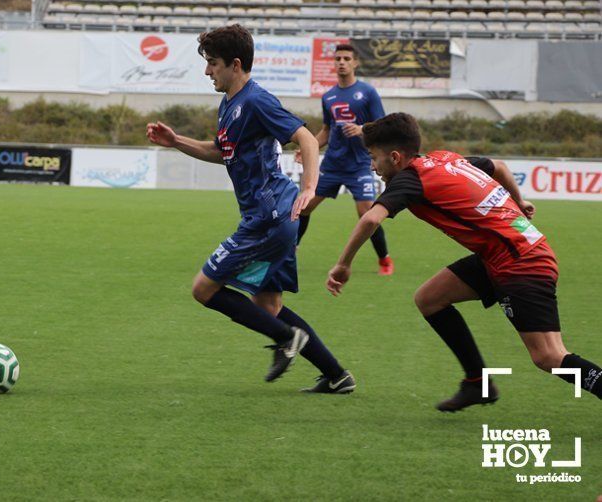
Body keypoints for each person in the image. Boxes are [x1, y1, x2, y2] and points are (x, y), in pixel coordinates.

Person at [325, 112, 602, 410]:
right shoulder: (445, 158)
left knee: (549, 356)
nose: (372, 165)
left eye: (373, 157)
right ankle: (477, 384)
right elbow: (500, 167)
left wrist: (343, 264)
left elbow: (370, 219)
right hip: (506, 252)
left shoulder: (409, 179)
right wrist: (518, 203)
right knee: (430, 298)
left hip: (521, 262)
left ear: (394, 157)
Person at [147, 24, 354, 392]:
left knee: (203, 289)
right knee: (268, 306)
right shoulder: (230, 105)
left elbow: (305, 138)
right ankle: (337, 376)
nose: (207, 71)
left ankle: (287, 339)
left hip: (268, 218)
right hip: (275, 215)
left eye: (213, 63)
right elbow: (219, 152)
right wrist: (176, 141)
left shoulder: (256, 101)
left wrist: (310, 187)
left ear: (236, 64)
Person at [296, 43, 393, 275]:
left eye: (346, 58)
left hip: (359, 164)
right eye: (338, 58)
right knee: (304, 207)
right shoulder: (329, 96)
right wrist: (309, 147)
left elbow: (382, 125)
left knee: (367, 213)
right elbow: (327, 131)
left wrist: (362, 130)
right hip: (332, 164)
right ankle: (291, 249)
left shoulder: (367, 93)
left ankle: (384, 259)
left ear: (355, 63)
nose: (341, 62)